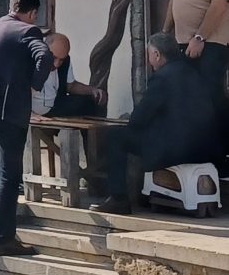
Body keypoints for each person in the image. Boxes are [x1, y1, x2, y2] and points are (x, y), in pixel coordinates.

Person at [90, 33, 219, 215]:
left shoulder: (162, 78)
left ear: (157, 55)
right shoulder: (193, 73)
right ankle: (144, 194)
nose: (149, 60)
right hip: (205, 149)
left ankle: (119, 199)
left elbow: (139, 120)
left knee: (116, 137)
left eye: (149, 54)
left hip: (176, 150)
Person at [0, 0, 53, 257]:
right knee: (11, 176)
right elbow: (45, 57)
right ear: (32, 14)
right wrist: (34, 85)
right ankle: (4, 238)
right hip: (11, 109)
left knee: (0, 152)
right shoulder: (29, 31)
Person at [31, 33, 106, 118]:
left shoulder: (65, 61)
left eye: (61, 60)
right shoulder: (31, 60)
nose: (56, 64)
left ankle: (94, 131)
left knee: (88, 102)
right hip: (33, 109)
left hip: (56, 105)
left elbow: (70, 86)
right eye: (54, 58)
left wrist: (92, 91)